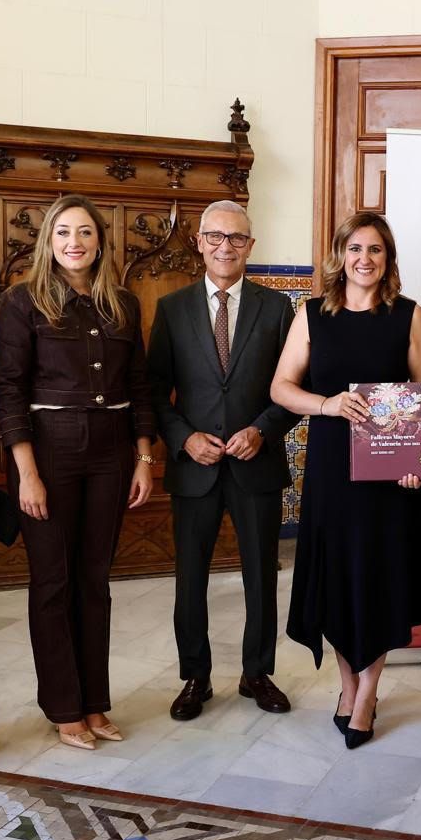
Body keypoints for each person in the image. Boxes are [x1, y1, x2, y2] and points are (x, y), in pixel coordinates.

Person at [0, 194, 156, 751]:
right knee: (53, 582)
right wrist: (26, 472)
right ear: (48, 241)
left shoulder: (123, 305)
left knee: (95, 582)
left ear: (100, 241)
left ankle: (94, 703)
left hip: (111, 449)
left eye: (85, 232)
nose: (74, 243)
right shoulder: (22, 302)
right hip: (49, 451)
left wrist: (143, 457)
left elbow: (138, 387)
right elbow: (8, 388)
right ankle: (63, 707)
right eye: (63, 233)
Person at [271, 213, 421, 749]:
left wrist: (418, 460)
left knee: (378, 582)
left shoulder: (409, 316)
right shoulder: (312, 314)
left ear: (388, 259)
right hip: (332, 471)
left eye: (377, 250)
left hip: (390, 476)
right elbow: (281, 389)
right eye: (356, 248)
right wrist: (329, 404)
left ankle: (367, 694)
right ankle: (348, 686)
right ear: (340, 255)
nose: (365, 259)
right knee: (339, 582)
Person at [147, 200, 298, 722]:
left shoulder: (278, 309)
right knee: (191, 577)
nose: (225, 247)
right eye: (215, 237)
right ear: (199, 242)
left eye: (236, 238)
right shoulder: (172, 308)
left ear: (250, 245)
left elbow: (294, 388)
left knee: (262, 573)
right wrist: (184, 439)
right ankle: (196, 676)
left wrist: (262, 429)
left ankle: (258, 672)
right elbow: (153, 391)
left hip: (256, 461)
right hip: (195, 467)